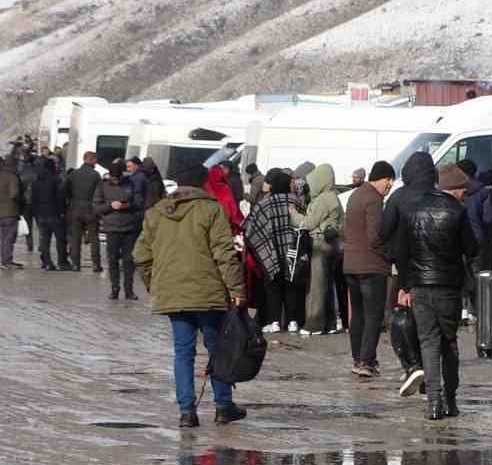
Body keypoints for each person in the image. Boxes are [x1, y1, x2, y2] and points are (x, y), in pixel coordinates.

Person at [132, 162, 246, 429]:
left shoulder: (156, 213)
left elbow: (140, 255)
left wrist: (156, 285)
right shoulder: (211, 209)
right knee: (217, 349)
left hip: (173, 294)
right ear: (202, 183)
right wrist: (236, 289)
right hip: (207, 294)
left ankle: (187, 412)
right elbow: (224, 254)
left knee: (182, 353)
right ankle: (222, 406)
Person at [384, 159, 479, 420]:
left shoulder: (411, 209)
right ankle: (450, 399)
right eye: (463, 190)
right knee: (449, 342)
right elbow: (472, 249)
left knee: (428, 342)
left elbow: (400, 252)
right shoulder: (457, 212)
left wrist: (405, 284)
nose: (465, 195)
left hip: (419, 285)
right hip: (448, 286)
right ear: (454, 189)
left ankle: (433, 402)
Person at [343, 161, 395, 378]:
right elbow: (376, 237)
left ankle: (357, 358)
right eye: (388, 181)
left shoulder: (355, 195)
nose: (390, 185)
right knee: (373, 316)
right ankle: (367, 361)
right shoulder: (374, 199)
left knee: (359, 315)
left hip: (351, 266)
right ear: (381, 178)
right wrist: (391, 256)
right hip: (372, 266)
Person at [245, 170, 303, 333]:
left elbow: (252, 230)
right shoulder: (296, 201)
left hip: (271, 251)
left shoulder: (265, 203)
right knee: (291, 285)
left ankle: (274, 321)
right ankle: (293, 321)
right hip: (293, 250)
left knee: (272, 286)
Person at [298, 164, 343, 336]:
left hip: (319, 244)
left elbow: (309, 222)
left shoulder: (324, 199)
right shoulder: (335, 197)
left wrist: (294, 215)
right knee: (327, 286)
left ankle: (314, 324)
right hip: (332, 245)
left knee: (316, 286)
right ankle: (330, 323)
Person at [94, 159, 142, 298]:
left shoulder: (131, 183)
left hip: (129, 228)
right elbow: (96, 208)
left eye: (117, 178)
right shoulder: (102, 186)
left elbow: (138, 202)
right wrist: (110, 206)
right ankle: (114, 288)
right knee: (112, 260)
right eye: (113, 178)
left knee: (129, 260)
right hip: (112, 228)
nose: (114, 180)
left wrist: (125, 205)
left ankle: (129, 290)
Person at [29, 157, 73, 271]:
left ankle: (47, 262)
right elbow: (60, 198)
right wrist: (62, 212)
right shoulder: (56, 180)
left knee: (44, 239)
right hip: (55, 214)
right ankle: (62, 262)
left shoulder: (36, 181)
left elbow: (33, 199)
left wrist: (35, 213)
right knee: (60, 239)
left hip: (40, 215)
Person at [65, 152, 104, 272]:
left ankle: (75, 264)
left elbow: (66, 191)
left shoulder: (73, 174)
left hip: (75, 209)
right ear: (91, 160)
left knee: (75, 238)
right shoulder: (96, 175)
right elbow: (100, 194)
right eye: (95, 160)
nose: (96, 163)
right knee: (94, 238)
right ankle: (96, 264)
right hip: (91, 210)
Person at [0, 161, 24, 269]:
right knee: (9, 237)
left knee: (4, 238)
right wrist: (22, 200)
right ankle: (7, 262)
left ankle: (5, 261)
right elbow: (14, 194)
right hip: (11, 211)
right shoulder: (12, 177)